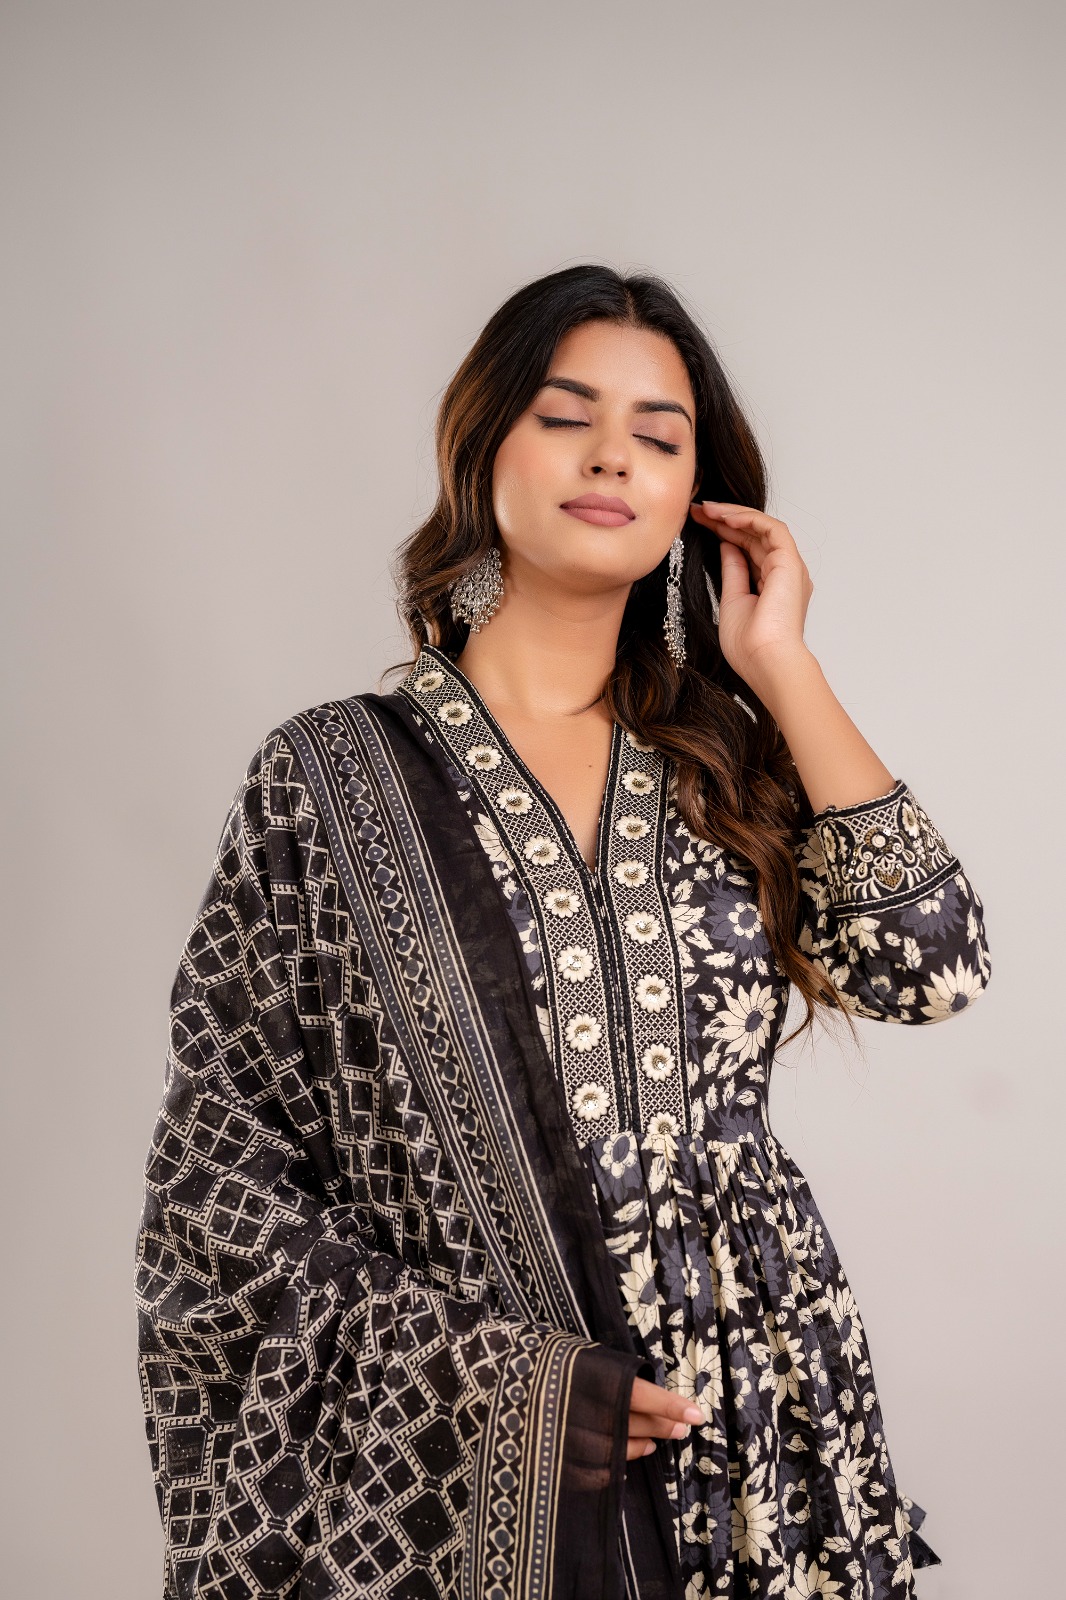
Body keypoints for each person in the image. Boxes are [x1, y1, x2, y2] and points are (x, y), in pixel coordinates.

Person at [135, 264, 991, 1600]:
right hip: (474, 1459)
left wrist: (783, 666)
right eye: (566, 416)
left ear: (694, 493)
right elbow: (218, 1184)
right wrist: (506, 1386)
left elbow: (932, 966)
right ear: (483, 450)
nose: (611, 456)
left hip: (753, 1422)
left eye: (659, 435)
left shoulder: (728, 765)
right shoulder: (331, 781)